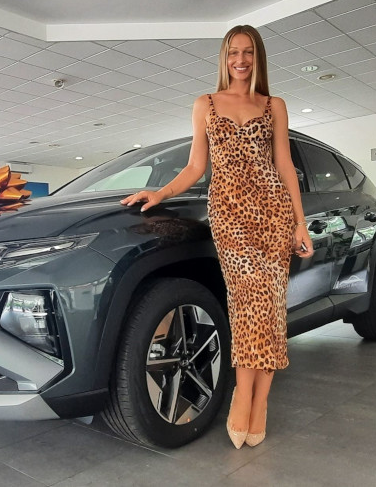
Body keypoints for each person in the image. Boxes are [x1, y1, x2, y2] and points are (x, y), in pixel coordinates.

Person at [120, 25, 314, 449]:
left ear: (258, 57)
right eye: (232, 53)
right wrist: (160, 193)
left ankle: (258, 401)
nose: (240, 60)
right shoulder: (205, 103)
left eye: (247, 52)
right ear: (224, 59)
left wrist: (299, 223)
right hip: (230, 216)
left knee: (270, 309)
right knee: (247, 307)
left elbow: (284, 166)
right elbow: (195, 167)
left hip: (273, 215)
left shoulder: (274, 105)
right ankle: (243, 393)